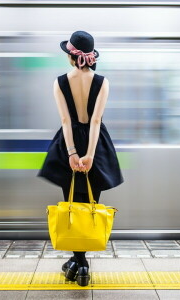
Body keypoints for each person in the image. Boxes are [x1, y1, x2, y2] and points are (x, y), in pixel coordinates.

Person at [37, 30, 124, 287]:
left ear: (71, 56)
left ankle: (79, 262)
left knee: (72, 202)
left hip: (69, 143)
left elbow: (66, 120)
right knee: (91, 203)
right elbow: (95, 120)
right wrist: (90, 155)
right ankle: (80, 263)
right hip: (97, 146)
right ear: (91, 55)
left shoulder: (60, 81)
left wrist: (73, 152)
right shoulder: (103, 81)